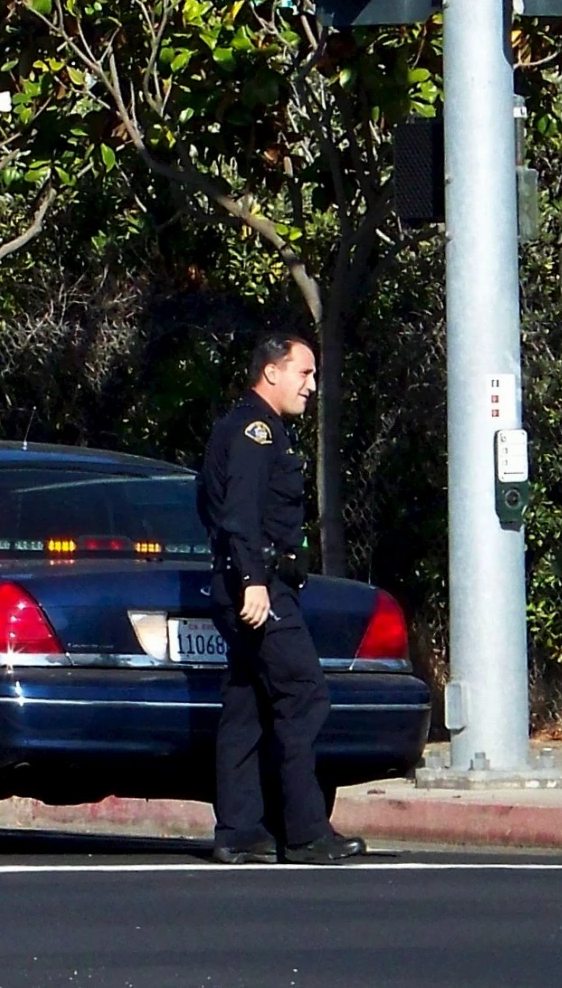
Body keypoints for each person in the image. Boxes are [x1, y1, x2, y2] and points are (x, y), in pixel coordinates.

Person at [199, 332, 366, 866]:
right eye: (304, 373)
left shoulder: (251, 430)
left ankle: (240, 829)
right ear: (271, 372)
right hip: (259, 588)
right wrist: (252, 580)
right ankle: (305, 831)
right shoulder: (256, 432)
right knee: (304, 694)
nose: (311, 386)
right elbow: (237, 513)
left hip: (250, 583)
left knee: (246, 705)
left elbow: (213, 503)